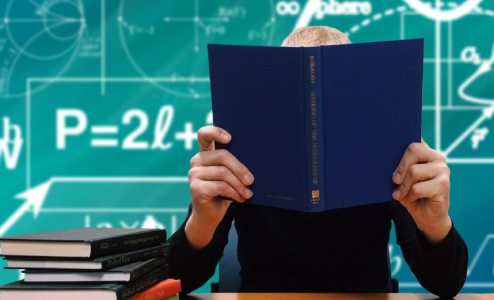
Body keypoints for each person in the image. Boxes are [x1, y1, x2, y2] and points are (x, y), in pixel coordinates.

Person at [168, 26, 468, 298]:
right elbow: (177, 280)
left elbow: (446, 284)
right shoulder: (238, 150)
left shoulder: (388, 151)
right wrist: (202, 223)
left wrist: (434, 223)